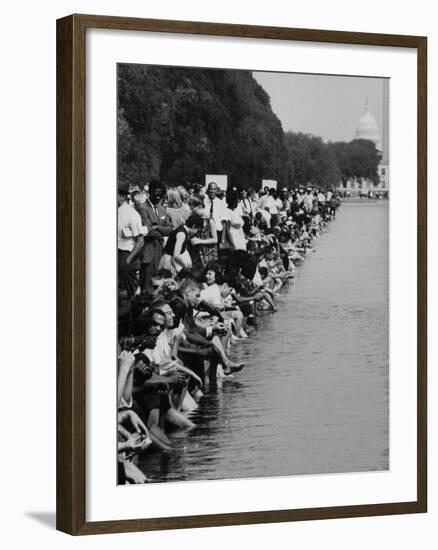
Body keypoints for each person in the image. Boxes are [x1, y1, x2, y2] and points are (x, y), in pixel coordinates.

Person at [134, 180, 173, 291]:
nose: (158, 198)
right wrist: (160, 233)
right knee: (147, 286)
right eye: (155, 195)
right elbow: (148, 231)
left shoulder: (162, 209)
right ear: (149, 193)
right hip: (148, 253)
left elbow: (170, 229)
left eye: (160, 195)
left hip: (160, 252)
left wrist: (158, 227)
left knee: (159, 285)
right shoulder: (142, 208)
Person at [118, 182, 145, 298]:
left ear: (123, 196)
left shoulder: (131, 214)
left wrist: (127, 261)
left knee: (128, 295)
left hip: (126, 256)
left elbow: (140, 241)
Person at [203, 182, 229, 246]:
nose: (212, 191)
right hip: (205, 232)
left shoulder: (221, 204)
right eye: (211, 189)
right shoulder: (203, 202)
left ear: (216, 191)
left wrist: (222, 239)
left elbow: (224, 222)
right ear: (208, 190)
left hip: (217, 233)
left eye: (214, 189)